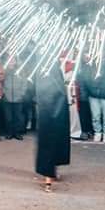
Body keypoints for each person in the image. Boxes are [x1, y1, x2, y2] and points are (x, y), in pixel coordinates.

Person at [35, 59, 71, 193]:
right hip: (48, 108)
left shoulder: (49, 66)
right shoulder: (44, 67)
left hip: (55, 107)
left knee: (54, 139)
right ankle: (48, 175)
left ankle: (51, 171)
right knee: (49, 141)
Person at [79, 55, 105, 144]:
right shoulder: (88, 67)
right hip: (93, 94)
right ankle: (97, 132)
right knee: (96, 116)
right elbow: (84, 79)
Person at [1, 64, 28, 140]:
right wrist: (4, 93)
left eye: (13, 60)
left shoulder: (21, 71)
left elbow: (24, 83)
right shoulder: (5, 72)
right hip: (7, 98)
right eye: (10, 61)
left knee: (17, 117)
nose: (12, 63)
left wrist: (21, 94)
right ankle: (9, 133)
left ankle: (17, 133)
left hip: (18, 98)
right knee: (8, 117)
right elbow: (1, 83)